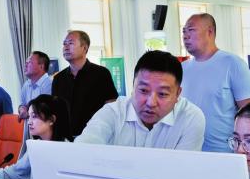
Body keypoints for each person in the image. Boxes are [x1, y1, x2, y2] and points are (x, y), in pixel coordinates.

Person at [76, 50, 205, 150]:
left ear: (177, 94)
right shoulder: (113, 113)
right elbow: (82, 152)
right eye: (143, 90)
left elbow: (182, 170)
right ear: (133, 87)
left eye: (162, 94)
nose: (151, 103)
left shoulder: (190, 118)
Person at [181, 13, 250, 152]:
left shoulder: (233, 64)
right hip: (190, 151)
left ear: (210, 32)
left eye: (191, 30)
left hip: (224, 151)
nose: (185, 36)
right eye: (184, 31)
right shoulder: (182, 69)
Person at [52, 30, 118, 138]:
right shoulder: (58, 78)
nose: (66, 47)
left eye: (71, 43)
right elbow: (55, 109)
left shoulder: (101, 73)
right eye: (64, 44)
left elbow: (111, 104)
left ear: (84, 48)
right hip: (65, 138)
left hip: (95, 136)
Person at [17, 50, 52, 120]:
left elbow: (46, 111)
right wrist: (22, 109)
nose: (25, 65)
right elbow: (22, 104)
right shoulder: (26, 84)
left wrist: (28, 113)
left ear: (41, 66)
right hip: (29, 126)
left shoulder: (50, 84)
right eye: (26, 62)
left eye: (29, 62)